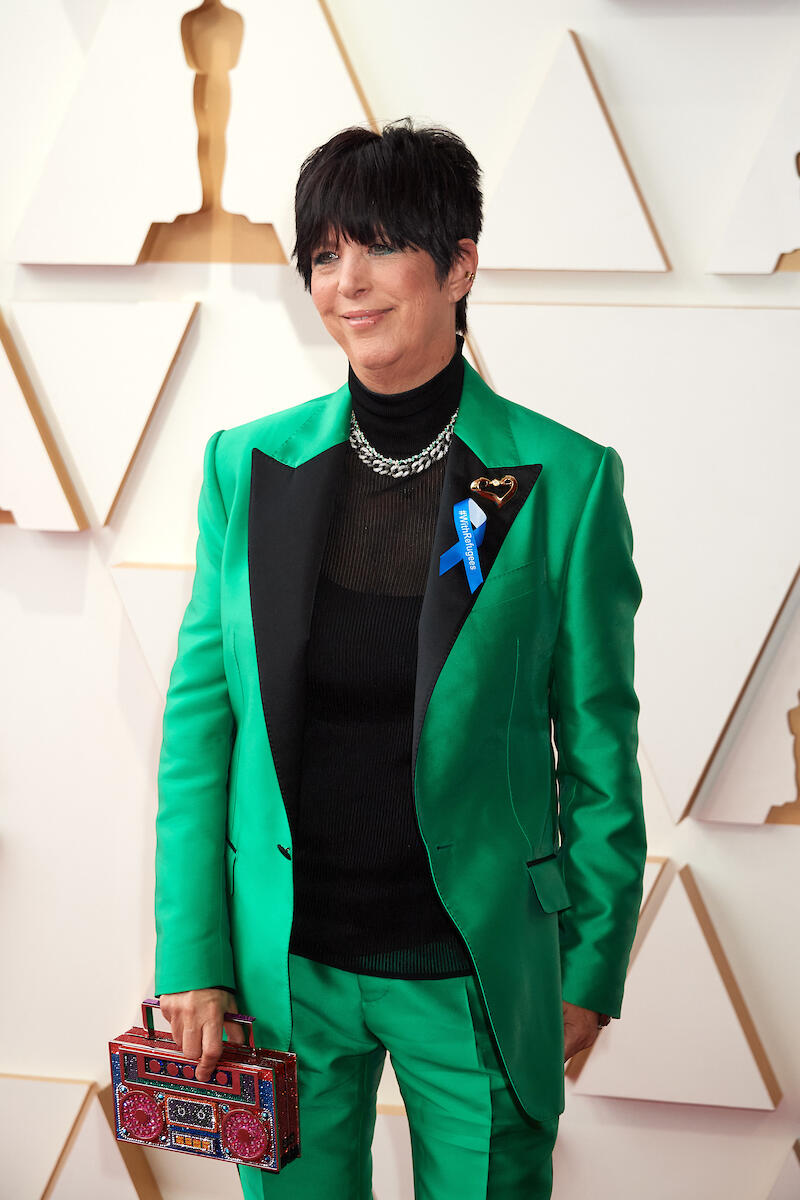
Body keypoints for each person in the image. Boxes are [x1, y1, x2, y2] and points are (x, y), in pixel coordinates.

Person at [154, 117, 647, 1200]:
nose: (347, 283)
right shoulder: (248, 466)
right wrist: (191, 958)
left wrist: (589, 970)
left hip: (473, 974)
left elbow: (601, 753)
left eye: (377, 246)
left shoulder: (558, 482)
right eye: (324, 255)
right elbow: (201, 728)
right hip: (287, 976)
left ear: (459, 263)